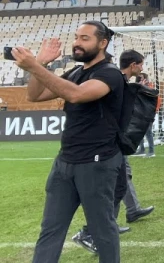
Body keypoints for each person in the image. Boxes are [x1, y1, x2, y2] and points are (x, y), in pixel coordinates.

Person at [12, 21, 123, 263]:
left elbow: (76, 94)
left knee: (102, 230)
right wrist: (41, 64)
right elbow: (34, 95)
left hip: (96, 163)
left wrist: (34, 66)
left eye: (85, 38)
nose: (76, 43)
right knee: (50, 229)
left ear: (102, 43)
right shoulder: (75, 72)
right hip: (65, 163)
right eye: (76, 37)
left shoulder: (110, 73)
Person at [73, 50, 155, 254]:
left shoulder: (120, 82)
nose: (142, 68)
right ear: (133, 65)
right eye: (140, 64)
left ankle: (107, 225)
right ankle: (90, 232)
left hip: (114, 144)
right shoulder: (113, 81)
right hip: (106, 145)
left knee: (119, 185)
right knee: (112, 189)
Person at [134, 73, 155, 157]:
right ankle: (141, 149)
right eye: (139, 78)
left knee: (148, 132)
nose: (140, 79)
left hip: (148, 113)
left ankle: (151, 151)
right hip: (139, 112)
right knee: (139, 132)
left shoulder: (150, 87)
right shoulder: (137, 87)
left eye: (142, 78)